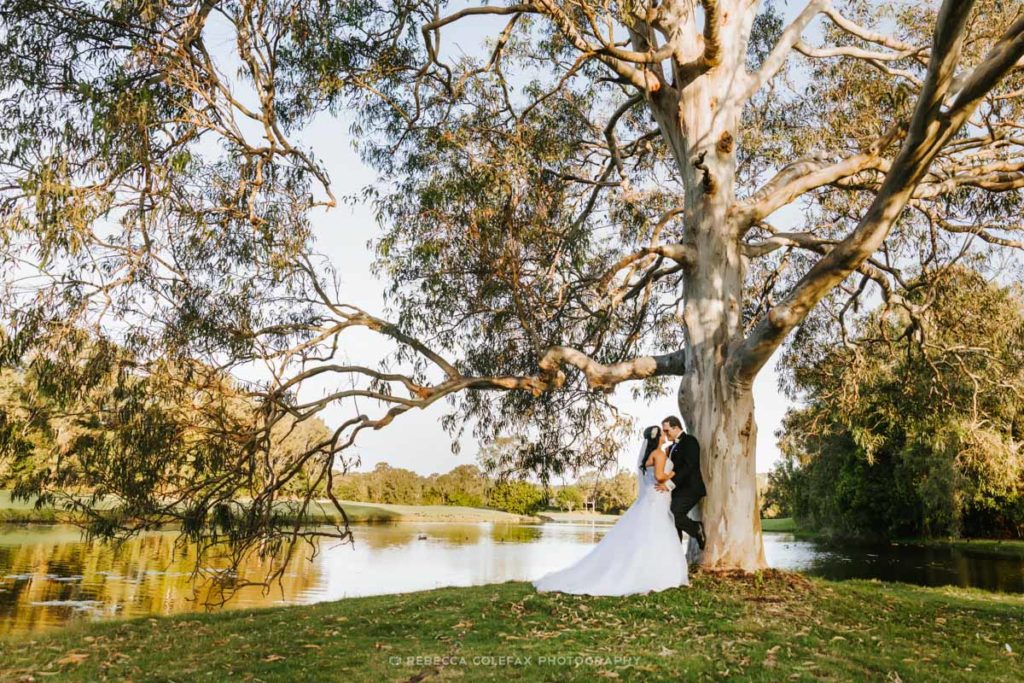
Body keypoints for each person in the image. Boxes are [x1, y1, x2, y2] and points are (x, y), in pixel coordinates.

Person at [532, 425, 688, 595]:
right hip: (657, 497)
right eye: (662, 433)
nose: (665, 435)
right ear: (657, 438)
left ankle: (650, 571)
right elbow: (659, 477)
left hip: (652, 497)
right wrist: (673, 474)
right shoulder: (658, 454)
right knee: (657, 533)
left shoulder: (648, 455)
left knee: (649, 534)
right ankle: (657, 574)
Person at [657, 416, 707, 549]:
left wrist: (669, 484)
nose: (666, 435)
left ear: (676, 427)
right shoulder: (671, 447)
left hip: (691, 488)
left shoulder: (690, 441)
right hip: (677, 491)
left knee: (673, 514)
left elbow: (688, 466)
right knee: (670, 521)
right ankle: (676, 554)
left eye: (667, 431)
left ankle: (696, 528)